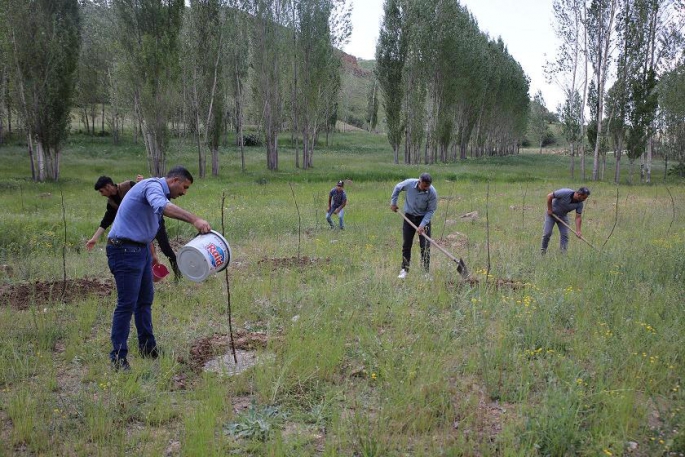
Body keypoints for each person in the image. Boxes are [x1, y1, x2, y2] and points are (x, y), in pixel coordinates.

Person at [106, 166, 211, 371]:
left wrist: (153, 256)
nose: (184, 192)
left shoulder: (155, 189)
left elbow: (145, 225)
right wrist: (195, 219)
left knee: (144, 301)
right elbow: (162, 206)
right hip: (124, 251)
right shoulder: (153, 186)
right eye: (184, 187)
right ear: (174, 181)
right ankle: (118, 358)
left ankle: (148, 347)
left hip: (141, 251)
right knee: (126, 304)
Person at [87, 175, 182, 280]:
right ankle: (147, 277)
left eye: (101, 191)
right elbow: (106, 221)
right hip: (138, 230)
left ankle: (178, 274)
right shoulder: (111, 203)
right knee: (145, 252)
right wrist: (94, 239)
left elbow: (149, 194)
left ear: (108, 186)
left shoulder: (128, 186)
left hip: (154, 223)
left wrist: (142, 182)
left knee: (166, 248)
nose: (102, 194)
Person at [390, 173, 437, 279]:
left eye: (428, 186)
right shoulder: (409, 184)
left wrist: (422, 225)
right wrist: (393, 202)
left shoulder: (432, 192)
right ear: (419, 182)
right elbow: (397, 187)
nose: (426, 188)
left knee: (425, 247)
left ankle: (425, 273)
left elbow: (431, 210)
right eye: (424, 186)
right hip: (409, 218)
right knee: (407, 244)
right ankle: (404, 270)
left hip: (423, 219)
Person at [541, 186, 591, 254]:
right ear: (579, 194)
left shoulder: (580, 204)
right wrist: (550, 209)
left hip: (563, 216)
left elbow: (578, 217)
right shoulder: (565, 192)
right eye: (584, 197)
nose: (584, 199)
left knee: (565, 235)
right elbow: (549, 196)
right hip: (551, 215)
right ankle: (543, 252)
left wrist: (578, 230)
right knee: (547, 233)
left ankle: (563, 254)